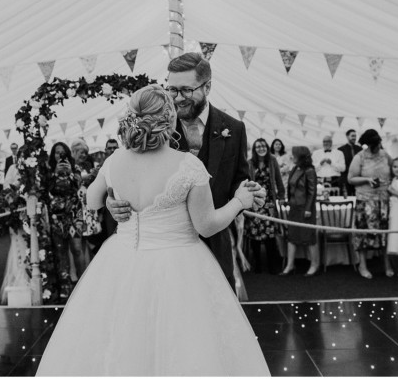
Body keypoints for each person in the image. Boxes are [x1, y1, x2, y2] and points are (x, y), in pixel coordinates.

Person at [36, 84, 270, 376]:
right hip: (179, 265)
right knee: (186, 344)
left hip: (121, 261)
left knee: (116, 338)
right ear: (169, 119)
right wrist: (239, 201)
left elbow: (92, 199)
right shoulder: (188, 166)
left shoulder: (115, 160)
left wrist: (111, 197)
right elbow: (207, 226)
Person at [106, 52, 264, 290]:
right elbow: (127, 174)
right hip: (163, 254)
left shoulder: (234, 128)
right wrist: (112, 201)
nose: (177, 98)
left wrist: (252, 194)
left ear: (207, 86)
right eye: (172, 90)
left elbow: (240, 182)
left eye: (186, 90)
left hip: (215, 243)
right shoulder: (153, 126)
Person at [347, 129, 393, 279]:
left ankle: (387, 264)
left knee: (385, 234)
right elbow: (351, 179)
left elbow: (395, 171)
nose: (379, 146)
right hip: (365, 200)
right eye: (376, 144)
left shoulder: (385, 155)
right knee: (363, 233)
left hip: (384, 200)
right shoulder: (359, 157)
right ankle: (363, 265)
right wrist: (367, 180)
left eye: (379, 143)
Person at [47, 141, 85, 300]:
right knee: (60, 250)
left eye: (63, 152)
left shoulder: (75, 167)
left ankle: (84, 283)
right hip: (57, 216)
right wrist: (55, 173)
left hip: (73, 214)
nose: (60, 155)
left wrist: (69, 173)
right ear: (53, 155)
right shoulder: (48, 170)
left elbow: (80, 187)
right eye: (57, 152)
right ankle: (65, 286)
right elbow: (46, 189)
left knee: (76, 248)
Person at [245, 138, 285, 274]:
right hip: (254, 203)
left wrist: (282, 196)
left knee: (270, 234)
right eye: (258, 146)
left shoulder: (272, 161)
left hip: (269, 203)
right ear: (254, 149)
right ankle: (257, 264)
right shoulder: (250, 163)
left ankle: (272, 265)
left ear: (267, 147)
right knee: (255, 234)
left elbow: (278, 179)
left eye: (263, 146)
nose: (261, 148)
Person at [281, 146, 319, 276]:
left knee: (309, 237)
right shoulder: (294, 168)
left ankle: (314, 264)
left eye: (294, 154)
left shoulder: (309, 171)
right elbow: (291, 188)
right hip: (294, 207)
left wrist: (308, 209)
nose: (292, 156)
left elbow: (312, 192)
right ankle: (290, 265)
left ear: (300, 156)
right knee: (292, 236)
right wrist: (287, 201)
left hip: (305, 209)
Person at [338, 129, 362, 195]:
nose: (354, 138)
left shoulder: (360, 149)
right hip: (345, 179)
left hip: (357, 179)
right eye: (352, 136)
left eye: (355, 136)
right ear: (347, 136)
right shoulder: (340, 150)